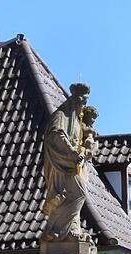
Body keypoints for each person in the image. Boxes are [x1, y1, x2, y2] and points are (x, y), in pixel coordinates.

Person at [40, 82, 94, 245]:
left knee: (75, 195)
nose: (83, 107)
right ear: (75, 100)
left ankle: (71, 230)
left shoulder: (77, 120)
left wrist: (88, 145)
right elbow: (56, 136)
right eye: (82, 102)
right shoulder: (61, 115)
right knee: (77, 194)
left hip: (74, 165)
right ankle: (59, 231)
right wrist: (71, 153)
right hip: (62, 164)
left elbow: (82, 139)